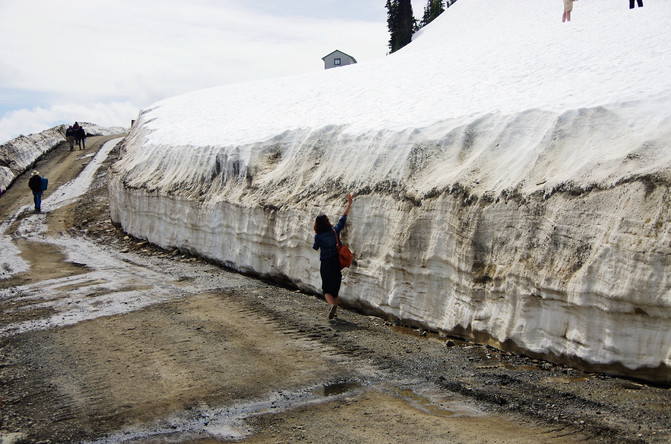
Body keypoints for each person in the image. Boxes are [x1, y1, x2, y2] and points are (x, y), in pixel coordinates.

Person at [313, 193, 353, 319]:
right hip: (336, 263)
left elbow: (315, 247)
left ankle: (332, 307)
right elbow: (343, 218)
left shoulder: (318, 236)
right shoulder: (335, 231)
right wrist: (349, 204)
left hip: (325, 264)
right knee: (335, 289)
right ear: (327, 222)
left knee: (326, 289)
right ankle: (334, 310)